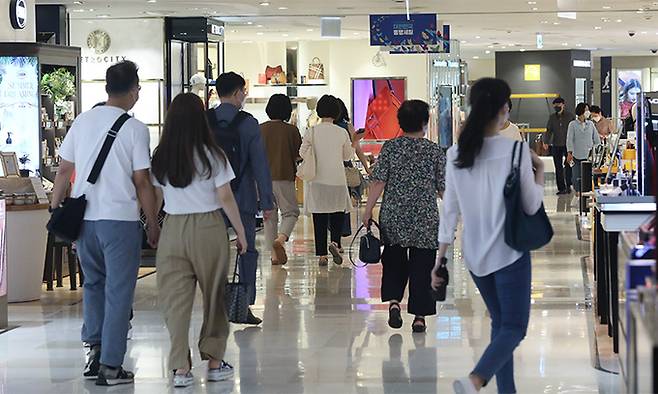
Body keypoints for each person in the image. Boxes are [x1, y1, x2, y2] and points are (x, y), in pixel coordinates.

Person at [49, 60, 160, 386]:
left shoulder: (82, 122)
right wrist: (152, 221)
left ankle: (94, 355)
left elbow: (63, 172)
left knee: (93, 286)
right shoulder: (136, 129)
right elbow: (142, 181)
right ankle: (112, 365)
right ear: (132, 90)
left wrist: (56, 213)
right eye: (138, 88)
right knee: (119, 291)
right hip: (119, 221)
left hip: (85, 223)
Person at [432, 78, 545, 394]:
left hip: (475, 254)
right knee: (514, 327)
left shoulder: (456, 154)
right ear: (503, 108)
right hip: (509, 251)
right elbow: (532, 204)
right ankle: (475, 380)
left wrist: (439, 259)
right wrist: (539, 174)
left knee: (500, 325)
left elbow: (450, 211)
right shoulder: (516, 151)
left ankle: (506, 391)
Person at [151, 93, 247, 388]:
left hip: (173, 228)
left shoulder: (161, 156)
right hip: (208, 227)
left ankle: (180, 368)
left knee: (175, 301)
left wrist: (153, 227)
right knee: (214, 295)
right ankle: (215, 362)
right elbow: (225, 197)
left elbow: (156, 196)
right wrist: (241, 232)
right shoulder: (213, 155)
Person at [362, 99, 446, 333]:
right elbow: (443, 188)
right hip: (425, 218)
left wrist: (368, 210)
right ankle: (419, 316)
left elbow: (378, 182)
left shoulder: (390, 148)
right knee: (423, 265)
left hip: (394, 215)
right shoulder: (434, 151)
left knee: (394, 261)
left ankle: (394, 303)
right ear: (424, 122)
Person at [214, 72, 275, 325]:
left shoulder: (206, 120)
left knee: (214, 251)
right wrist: (268, 203)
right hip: (243, 198)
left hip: (212, 198)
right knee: (246, 249)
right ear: (239, 92)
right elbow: (260, 165)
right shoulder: (249, 123)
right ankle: (244, 304)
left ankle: (214, 302)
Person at [300, 95, 354, 266]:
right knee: (337, 214)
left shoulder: (312, 131)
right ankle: (336, 244)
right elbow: (347, 156)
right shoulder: (341, 132)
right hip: (337, 179)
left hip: (317, 180)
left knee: (320, 217)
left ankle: (322, 255)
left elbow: (302, 152)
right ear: (336, 112)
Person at [260, 94, 302, 266]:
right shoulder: (291, 130)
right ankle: (281, 239)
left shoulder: (259, 129)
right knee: (291, 213)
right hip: (284, 175)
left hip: (263, 179)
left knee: (269, 216)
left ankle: (274, 256)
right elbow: (299, 155)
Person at [567, 103, 601, 194]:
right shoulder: (572, 124)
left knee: (588, 177)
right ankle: (578, 192)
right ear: (581, 111)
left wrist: (598, 151)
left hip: (589, 156)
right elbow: (569, 139)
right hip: (576, 155)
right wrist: (569, 152)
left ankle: (587, 193)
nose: (588, 112)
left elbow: (596, 139)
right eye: (586, 110)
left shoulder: (590, 124)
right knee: (576, 177)